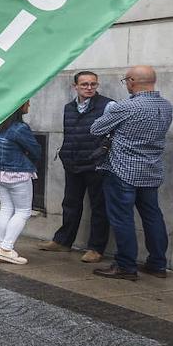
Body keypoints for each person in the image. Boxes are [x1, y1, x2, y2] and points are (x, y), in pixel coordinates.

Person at [90, 65, 173, 280]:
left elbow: (96, 129)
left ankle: (126, 265)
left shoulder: (126, 107)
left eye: (126, 81)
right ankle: (157, 264)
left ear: (132, 81)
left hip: (122, 170)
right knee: (153, 216)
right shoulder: (166, 106)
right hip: (151, 170)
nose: (126, 84)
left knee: (122, 218)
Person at [39, 71, 112, 262]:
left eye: (93, 84)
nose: (89, 88)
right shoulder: (69, 108)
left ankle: (96, 248)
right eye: (84, 85)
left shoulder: (107, 105)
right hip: (73, 163)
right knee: (70, 203)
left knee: (99, 207)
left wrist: (102, 153)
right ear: (75, 86)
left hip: (96, 164)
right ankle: (63, 241)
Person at [0, 102, 41, 265]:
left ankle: (4, 247)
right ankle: (5, 248)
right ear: (18, 106)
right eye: (27, 103)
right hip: (17, 173)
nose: (30, 105)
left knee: (6, 208)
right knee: (23, 211)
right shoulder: (19, 128)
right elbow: (36, 150)